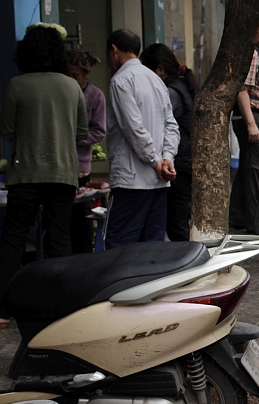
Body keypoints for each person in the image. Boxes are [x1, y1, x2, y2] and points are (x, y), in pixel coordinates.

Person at [0, 25, 88, 328]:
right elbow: (82, 133)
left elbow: (7, 131)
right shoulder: (71, 86)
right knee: (58, 238)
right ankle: (59, 306)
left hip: (24, 174)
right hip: (63, 173)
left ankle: (5, 309)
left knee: (13, 239)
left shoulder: (17, 85)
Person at [103, 29, 179, 249]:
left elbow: (133, 128)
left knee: (120, 247)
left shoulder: (120, 81)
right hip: (158, 181)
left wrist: (158, 161)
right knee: (151, 247)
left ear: (114, 50)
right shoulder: (155, 79)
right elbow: (171, 126)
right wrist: (167, 158)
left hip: (131, 181)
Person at [140, 43, 197, 242]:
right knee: (176, 222)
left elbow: (164, 126)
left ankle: (190, 267)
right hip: (183, 161)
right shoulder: (179, 87)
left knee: (176, 224)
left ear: (160, 71)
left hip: (179, 163)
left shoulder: (170, 92)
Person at [230, 19, 259, 234]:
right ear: (254, 34)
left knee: (248, 170)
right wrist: (252, 123)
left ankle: (239, 218)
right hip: (254, 116)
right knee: (256, 171)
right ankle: (257, 222)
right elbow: (242, 90)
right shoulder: (252, 55)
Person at [65, 49, 106, 253]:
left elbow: (99, 131)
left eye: (75, 76)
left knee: (81, 219)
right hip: (61, 167)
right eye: (68, 74)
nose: (71, 79)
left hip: (80, 167)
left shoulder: (95, 96)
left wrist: (74, 138)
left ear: (86, 74)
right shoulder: (63, 92)